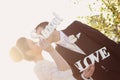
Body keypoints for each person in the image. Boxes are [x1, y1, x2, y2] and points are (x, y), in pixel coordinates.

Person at [34, 21, 120, 80]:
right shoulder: (58, 54)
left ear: (51, 28)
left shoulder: (76, 27)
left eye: (42, 33)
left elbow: (105, 41)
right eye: (39, 37)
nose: (41, 38)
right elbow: (74, 75)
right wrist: (84, 76)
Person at [10, 37, 77, 80]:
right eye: (33, 43)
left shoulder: (45, 64)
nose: (37, 42)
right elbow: (67, 73)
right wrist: (51, 50)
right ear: (29, 52)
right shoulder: (40, 68)